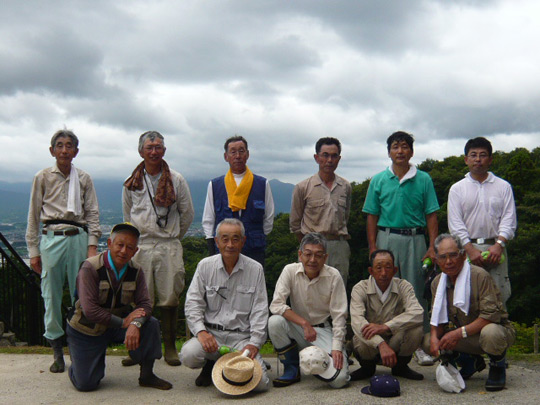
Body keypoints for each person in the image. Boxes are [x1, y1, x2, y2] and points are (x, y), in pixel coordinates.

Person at [25, 129, 101, 373]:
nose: (65, 150)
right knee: (51, 294)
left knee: (83, 295)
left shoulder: (84, 178)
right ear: (52, 150)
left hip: (78, 237)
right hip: (51, 238)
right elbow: (33, 216)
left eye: (69, 146)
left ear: (76, 151)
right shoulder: (43, 177)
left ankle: (79, 346)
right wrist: (33, 251)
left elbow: (92, 214)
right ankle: (57, 349)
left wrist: (92, 247)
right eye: (60, 145)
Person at [362, 131, 439, 365]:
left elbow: (431, 214)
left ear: (411, 152)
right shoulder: (379, 179)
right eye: (395, 147)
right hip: (387, 238)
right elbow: (372, 216)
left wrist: (432, 247)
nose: (400, 151)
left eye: (404, 147)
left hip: (416, 239)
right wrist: (373, 247)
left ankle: (419, 344)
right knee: (386, 290)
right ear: (389, 152)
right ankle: (388, 341)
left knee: (416, 291)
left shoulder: (423, 179)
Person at [66, 223, 172, 391]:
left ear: (135, 251)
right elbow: (90, 310)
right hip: (87, 329)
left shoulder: (136, 271)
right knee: (86, 384)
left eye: (130, 247)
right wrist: (124, 323)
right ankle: (78, 365)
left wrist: (135, 324)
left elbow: (145, 304)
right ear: (109, 244)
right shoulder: (90, 267)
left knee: (150, 323)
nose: (124, 251)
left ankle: (147, 375)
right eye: (120, 245)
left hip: (115, 326)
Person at [122, 131, 194, 366]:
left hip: (168, 245)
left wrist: (172, 237)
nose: (154, 151)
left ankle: (170, 347)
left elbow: (187, 214)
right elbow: (127, 216)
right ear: (141, 151)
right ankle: (138, 348)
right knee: (140, 298)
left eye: (158, 147)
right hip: (141, 245)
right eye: (149, 147)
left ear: (164, 150)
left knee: (170, 297)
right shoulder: (131, 182)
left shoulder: (176, 179)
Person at [180, 218, 270, 392]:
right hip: (211, 337)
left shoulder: (255, 269)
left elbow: (260, 309)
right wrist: (201, 332)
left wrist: (254, 343)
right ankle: (212, 364)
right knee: (189, 355)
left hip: (241, 339)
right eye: (225, 238)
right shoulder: (205, 266)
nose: (230, 244)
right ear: (216, 241)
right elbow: (193, 303)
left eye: (236, 239)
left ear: (243, 242)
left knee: (260, 385)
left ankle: (226, 370)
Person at [424, 234, 515, 392]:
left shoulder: (480, 276)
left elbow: (490, 317)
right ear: (437, 260)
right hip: (466, 334)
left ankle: (497, 366)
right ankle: (468, 362)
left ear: (463, 255)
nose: (449, 261)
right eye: (443, 257)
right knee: (426, 340)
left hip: (493, 331)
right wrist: (434, 337)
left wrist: (457, 334)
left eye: (453, 255)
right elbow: (437, 319)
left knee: (491, 333)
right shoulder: (437, 283)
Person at [268, 232, 350, 389]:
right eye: (308, 254)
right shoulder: (290, 271)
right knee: (274, 322)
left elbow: (339, 315)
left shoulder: (334, 276)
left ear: (325, 258)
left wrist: (336, 347)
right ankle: (292, 368)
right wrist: (304, 323)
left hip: (322, 330)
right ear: (300, 255)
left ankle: (314, 362)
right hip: (297, 328)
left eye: (318, 255)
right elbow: (276, 305)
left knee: (340, 380)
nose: (313, 260)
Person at [447, 137, 517, 307]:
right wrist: (469, 249)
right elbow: (455, 225)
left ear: (490, 159)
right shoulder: (457, 189)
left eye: (483, 155)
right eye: (473, 155)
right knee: (469, 299)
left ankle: (499, 332)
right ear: (466, 159)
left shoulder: (503, 186)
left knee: (498, 299)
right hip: (467, 251)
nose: (478, 159)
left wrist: (499, 245)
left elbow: (509, 219)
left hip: (496, 251)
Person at [349, 249, 424, 381]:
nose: (383, 273)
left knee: (416, 330)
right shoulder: (360, 288)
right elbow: (356, 321)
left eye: (388, 267)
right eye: (378, 268)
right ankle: (367, 368)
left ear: (395, 270)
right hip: (371, 343)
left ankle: (400, 367)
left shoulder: (404, 286)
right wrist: (380, 344)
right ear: (371, 271)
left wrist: (386, 327)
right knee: (360, 334)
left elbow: (418, 313)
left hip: (395, 340)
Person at [202, 135, 274, 267]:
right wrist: (212, 246)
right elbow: (209, 218)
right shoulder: (215, 185)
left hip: (254, 248)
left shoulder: (262, 184)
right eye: (233, 152)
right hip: (224, 249)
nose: (238, 156)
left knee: (254, 285)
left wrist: (256, 235)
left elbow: (268, 219)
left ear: (247, 154)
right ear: (226, 156)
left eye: (241, 151)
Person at [290, 137, 352, 287]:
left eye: (334, 156)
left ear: (339, 158)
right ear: (316, 158)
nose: (329, 160)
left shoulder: (345, 187)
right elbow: (295, 224)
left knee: (338, 288)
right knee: (309, 288)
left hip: (339, 246)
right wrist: (308, 244)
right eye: (325, 155)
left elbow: (346, 217)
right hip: (312, 248)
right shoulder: (303, 187)